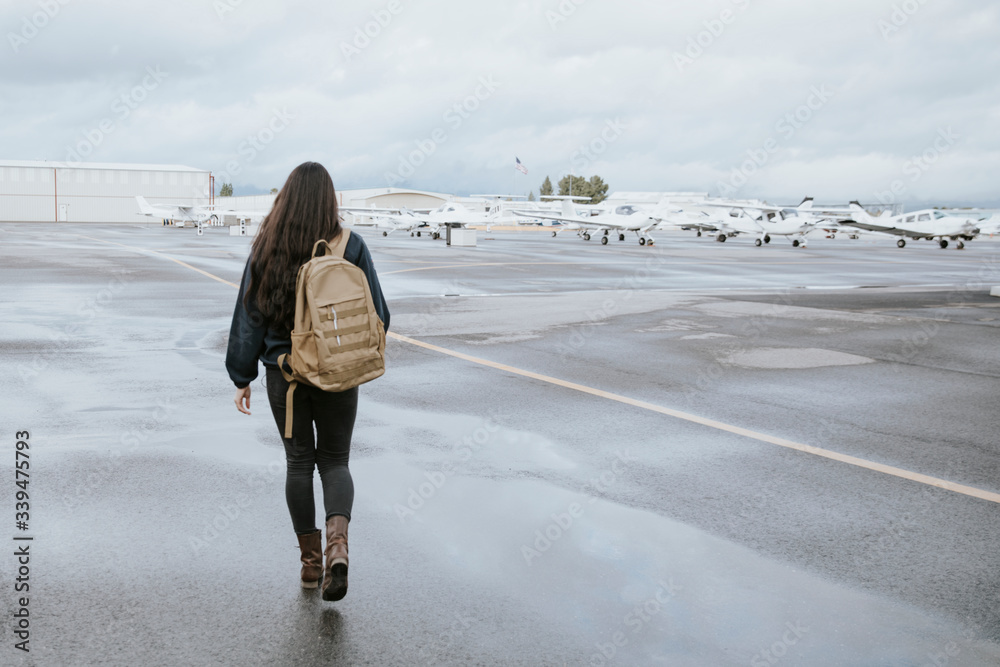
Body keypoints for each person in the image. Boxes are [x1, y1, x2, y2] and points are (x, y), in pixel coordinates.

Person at [225, 162, 389, 601]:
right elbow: (380, 316)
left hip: (286, 376)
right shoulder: (351, 245)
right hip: (338, 372)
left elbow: (249, 317)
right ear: (329, 199)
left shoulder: (269, 245)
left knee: (299, 464)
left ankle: (310, 565)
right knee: (336, 461)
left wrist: (241, 376)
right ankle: (339, 546)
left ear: (286, 198)